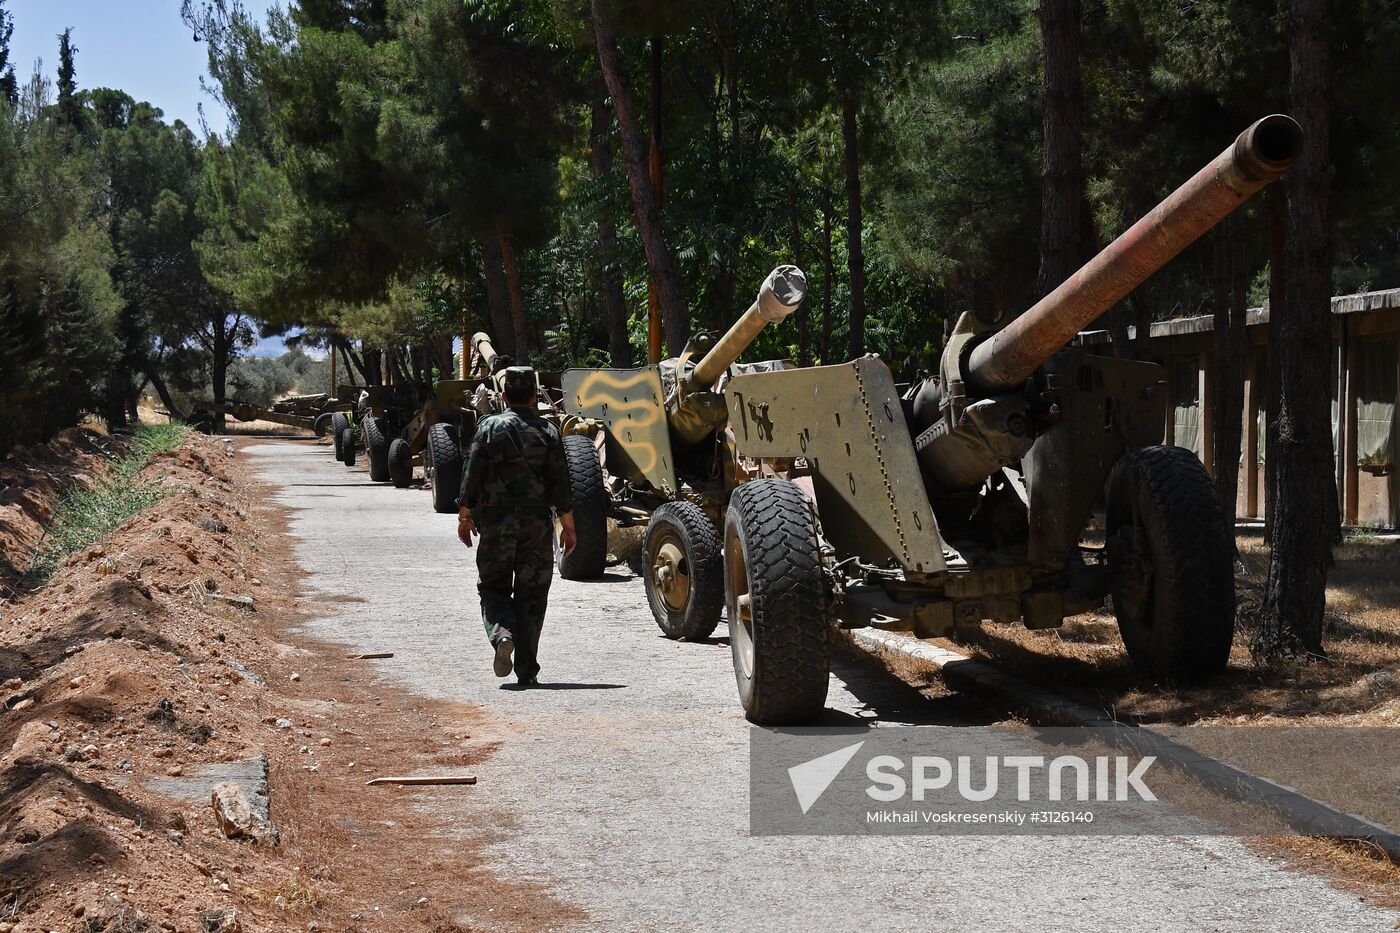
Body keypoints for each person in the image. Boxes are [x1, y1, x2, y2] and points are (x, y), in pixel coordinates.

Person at [456, 366, 576, 686]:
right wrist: (568, 525)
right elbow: (561, 484)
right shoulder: (549, 432)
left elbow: (471, 475)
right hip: (537, 525)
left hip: (496, 523)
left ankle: (501, 635)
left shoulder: (488, 427)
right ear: (535, 395)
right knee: (532, 596)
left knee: (493, 587)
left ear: (505, 395)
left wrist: (464, 516)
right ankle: (526, 668)